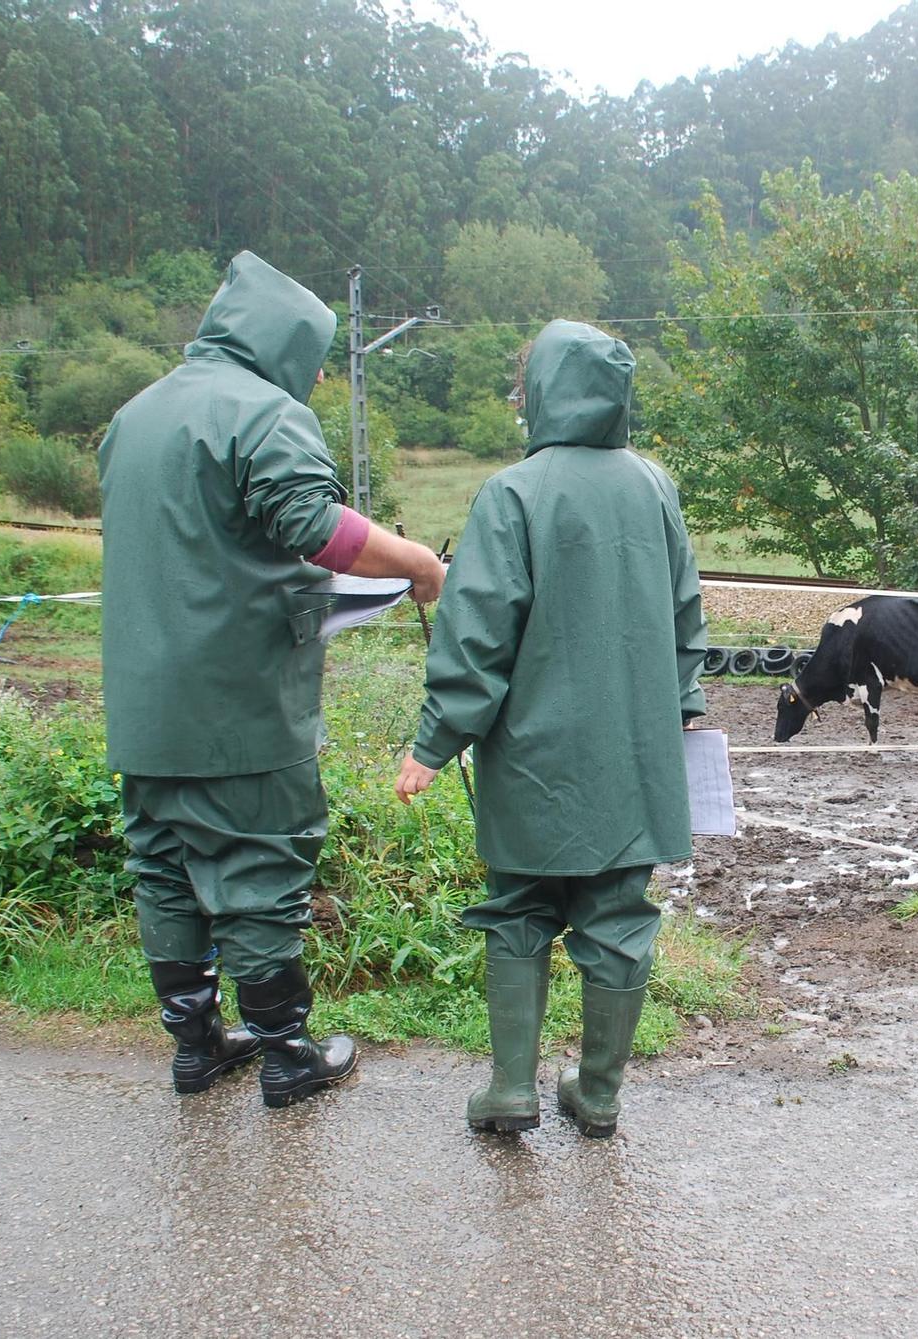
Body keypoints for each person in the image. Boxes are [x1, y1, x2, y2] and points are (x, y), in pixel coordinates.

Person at [100, 251, 446, 1109]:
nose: (323, 373)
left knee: (166, 869)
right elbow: (315, 527)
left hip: (144, 707)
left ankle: (196, 1046)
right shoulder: (265, 413)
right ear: (280, 343)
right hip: (240, 704)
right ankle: (288, 1053)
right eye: (316, 353)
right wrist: (414, 564)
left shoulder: (134, 416)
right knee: (260, 868)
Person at [396, 318, 707, 1138]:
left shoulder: (513, 492)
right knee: (618, 914)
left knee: (519, 905)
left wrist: (435, 742)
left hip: (531, 753)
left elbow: (477, 632)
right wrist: (676, 710)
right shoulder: (655, 486)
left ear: (540, 393)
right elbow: (686, 618)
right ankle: (597, 1093)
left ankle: (510, 1088)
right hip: (633, 754)